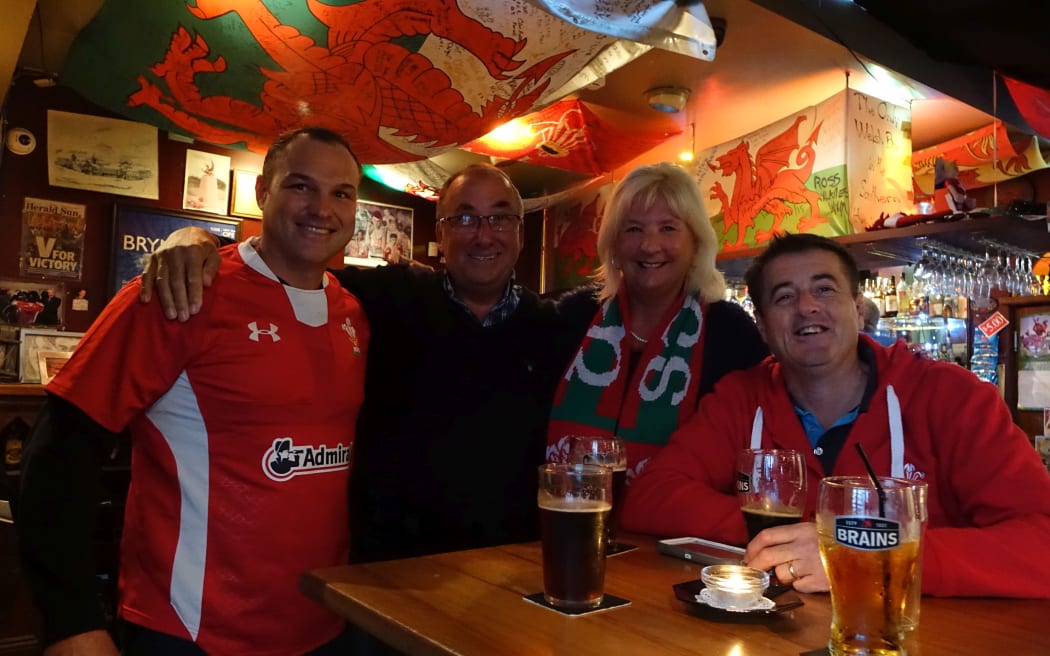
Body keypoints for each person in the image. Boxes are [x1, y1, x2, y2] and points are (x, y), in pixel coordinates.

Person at [16, 126, 371, 655]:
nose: (322, 208)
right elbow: (56, 454)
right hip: (188, 631)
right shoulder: (182, 289)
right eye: (301, 186)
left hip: (323, 627)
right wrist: (71, 623)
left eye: (341, 193)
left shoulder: (354, 313)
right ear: (262, 192)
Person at [136, 163, 577, 564]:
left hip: (510, 570)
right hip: (387, 573)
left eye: (500, 218)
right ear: (441, 234)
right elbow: (284, 267)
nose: (483, 235)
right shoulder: (387, 296)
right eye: (463, 218)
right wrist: (196, 239)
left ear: (520, 232)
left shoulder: (552, 327)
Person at [622, 232, 1050, 598]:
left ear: (858, 308)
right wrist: (785, 536)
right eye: (784, 296)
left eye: (825, 289)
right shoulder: (740, 397)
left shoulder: (952, 397)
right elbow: (650, 498)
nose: (807, 307)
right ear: (763, 326)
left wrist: (864, 553)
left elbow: (1040, 541)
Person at [547, 162, 767, 480]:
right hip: (569, 509)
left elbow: (751, 452)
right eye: (633, 229)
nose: (650, 246)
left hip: (684, 512)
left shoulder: (732, 334)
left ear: (696, 242)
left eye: (668, 228)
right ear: (613, 244)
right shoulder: (571, 318)